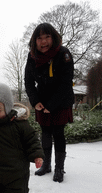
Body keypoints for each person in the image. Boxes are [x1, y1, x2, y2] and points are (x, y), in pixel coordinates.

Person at [24, 23, 74, 183]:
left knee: (58, 133)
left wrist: (51, 106)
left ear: (53, 38)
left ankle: (59, 168)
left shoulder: (64, 54)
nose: (43, 41)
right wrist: (35, 101)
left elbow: (66, 83)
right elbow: (28, 81)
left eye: (47, 37)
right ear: (35, 40)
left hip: (61, 100)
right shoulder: (32, 56)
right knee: (45, 133)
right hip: (42, 101)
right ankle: (46, 164)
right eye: (39, 38)